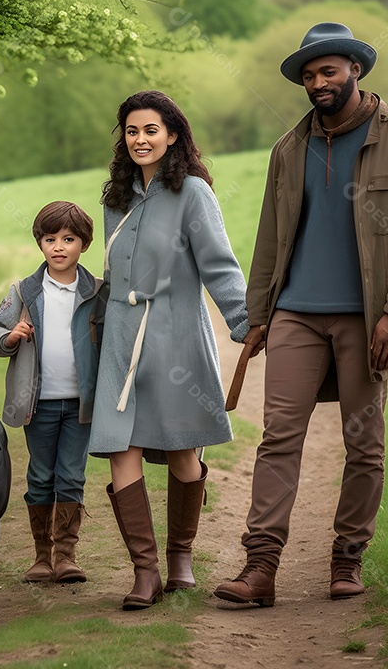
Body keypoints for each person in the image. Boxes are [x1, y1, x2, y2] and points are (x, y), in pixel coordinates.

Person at [213, 22, 388, 605]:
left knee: (363, 444)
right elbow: (270, 237)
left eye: (328, 71)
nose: (318, 82)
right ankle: (260, 568)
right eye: (309, 75)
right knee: (278, 438)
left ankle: (347, 559)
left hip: (369, 320)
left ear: (355, 71)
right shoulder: (288, 150)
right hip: (295, 315)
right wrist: (257, 313)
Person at [91, 90, 249, 610]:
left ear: (172, 134)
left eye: (151, 130)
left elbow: (219, 265)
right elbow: (112, 277)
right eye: (132, 131)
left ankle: (181, 556)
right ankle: (145, 571)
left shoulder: (195, 193)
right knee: (121, 446)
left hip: (177, 333)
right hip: (120, 334)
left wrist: (244, 321)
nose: (140, 140)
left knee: (182, 448)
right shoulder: (115, 197)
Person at [0, 201, 102, 585]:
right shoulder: (24, 290)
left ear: (83, 244)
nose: (59, 246)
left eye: (69, 239)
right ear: (40, 243)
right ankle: (41, 556)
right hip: (38, 404)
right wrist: (10, 337)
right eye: (50, 239)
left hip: (81, 405)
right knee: (40, 475)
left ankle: (66, 556)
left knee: (71, 475)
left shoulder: (97, 291)